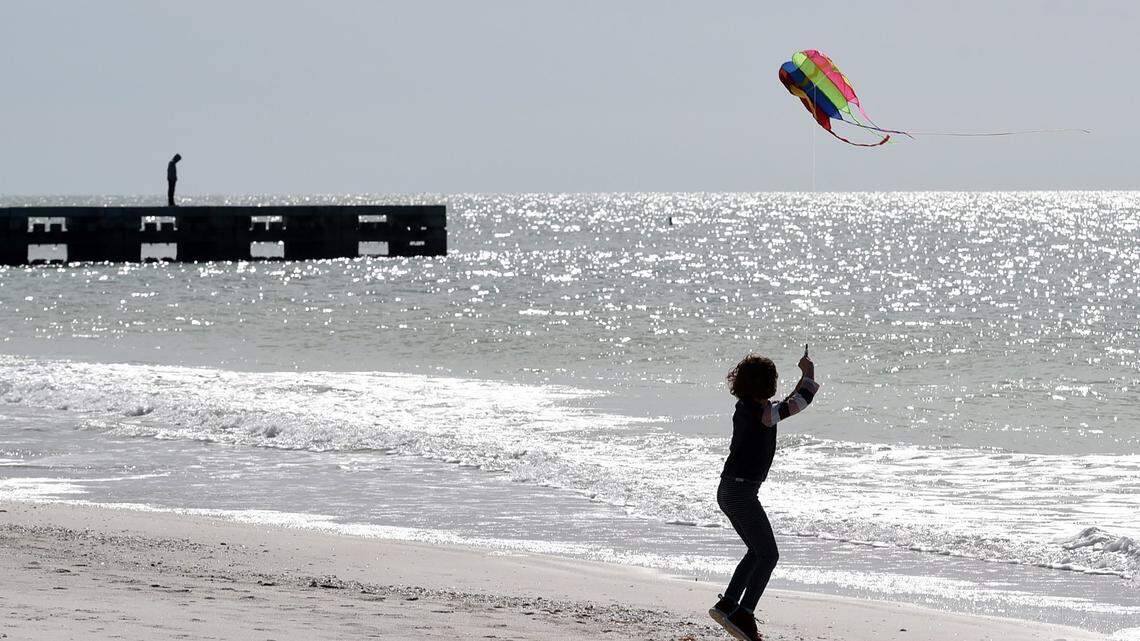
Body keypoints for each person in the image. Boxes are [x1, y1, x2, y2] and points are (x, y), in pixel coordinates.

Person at [709, 347, 819, 641]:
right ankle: (744, 615)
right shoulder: (764, 414)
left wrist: (802, 378)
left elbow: (785, 404)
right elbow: (798, 403)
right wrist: (809, 373)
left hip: (728, 490)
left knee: (756, 551)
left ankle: (728, 604)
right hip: (742, 492)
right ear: (766, 384)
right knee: (768, 555)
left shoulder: (749, 409)